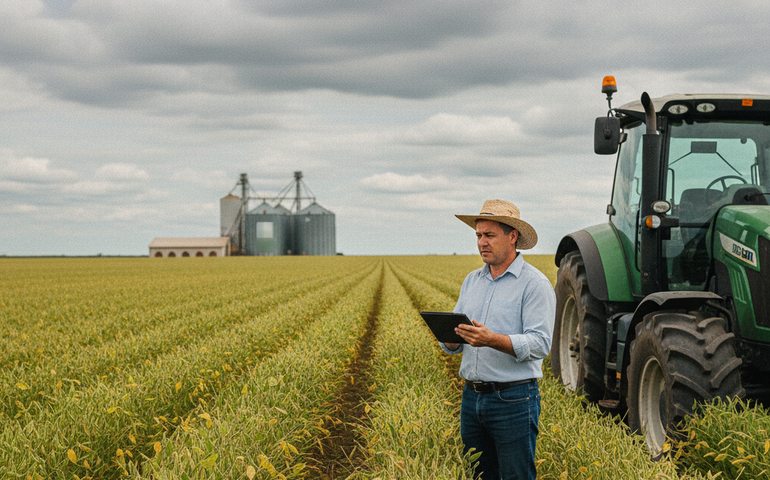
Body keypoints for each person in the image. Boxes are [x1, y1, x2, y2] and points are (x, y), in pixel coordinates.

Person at [441, 199, 555, 480]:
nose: (482, 242)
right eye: (479, 236)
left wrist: (491, 339)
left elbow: (541, 344)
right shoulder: (472, 281)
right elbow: (454, 339)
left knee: (516, 476)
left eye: (489, 235)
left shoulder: (534, 284)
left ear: (512, 236)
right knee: (478, 475)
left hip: (514, 400)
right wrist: (452, 339)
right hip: (471, 399)